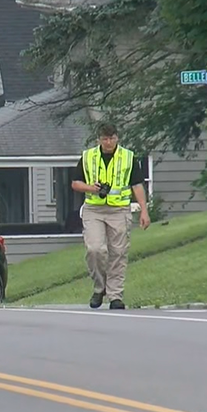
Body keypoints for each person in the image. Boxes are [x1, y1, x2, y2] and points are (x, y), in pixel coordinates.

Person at [70, 123, 150, 309]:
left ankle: (115, 296)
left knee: (118, 253)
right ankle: (100, 288)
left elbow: (137, 185)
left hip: (120, 210)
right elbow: (75, 183)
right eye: (105, 139)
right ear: (99, 139)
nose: (108, 142)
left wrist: (144, 211)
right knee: (95, 249)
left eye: (112, 138)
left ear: (117, 138)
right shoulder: (88, 157)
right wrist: (92, 188)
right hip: (94, 209)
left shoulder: (128, 157)